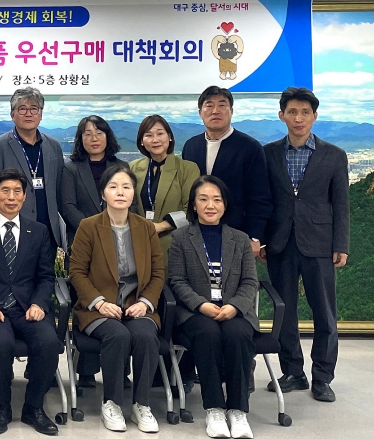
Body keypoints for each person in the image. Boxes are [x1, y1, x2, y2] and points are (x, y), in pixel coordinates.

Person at [262, 87, 350, 402]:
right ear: (282, 115)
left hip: (320, 244)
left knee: (324, 313)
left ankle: (323, 377)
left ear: (314, 116)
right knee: (285, 312)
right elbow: (264, 201)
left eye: (304, 112)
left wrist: (341, 244)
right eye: (292, 112)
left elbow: (341, 204)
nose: (298, 118)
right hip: (280, 243)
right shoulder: (268, 153)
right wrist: (261, 239)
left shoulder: (334, 155)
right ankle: (293, 372)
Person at [0, 168, 59, 436]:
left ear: (25, 196)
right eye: (5, 191)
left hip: (27, 308)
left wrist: (39, 304)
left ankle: (34, 407)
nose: (11, 197)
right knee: (0, 343)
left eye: (17, 191)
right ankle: (2, 407)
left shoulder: (38, 231)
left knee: (49, 342)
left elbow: (46, 276)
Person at [69, 165, 165, 433]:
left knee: (145, 336)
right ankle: (111, 402)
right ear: (103, 194)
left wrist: (145, 303)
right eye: (113, 187)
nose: (120, 192)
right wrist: (99, 302)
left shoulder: (145, 228)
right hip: (98, 308)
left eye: (126, 187)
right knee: (118, 335)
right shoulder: (89, 226)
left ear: (133, 193)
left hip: (137, 305)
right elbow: (76, 272)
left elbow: (158, 273)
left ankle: (141, 404)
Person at [169, 176, 259, 439]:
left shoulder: (240, 239)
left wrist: (235, 307)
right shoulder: (181, 238)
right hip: (196, 312)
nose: (210, 205)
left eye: (217, 200)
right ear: (193, 205)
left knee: (238, 333)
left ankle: (238, 410)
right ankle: (215, 409)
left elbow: (250, 281)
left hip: (233, 310)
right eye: (203, 199)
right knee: (207, 333)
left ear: (225, 205)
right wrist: (201, 305)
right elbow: (177, 280)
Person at [60, 115, 129, 389]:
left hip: (120, 243)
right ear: (80, 139)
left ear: (107, 136)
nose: (94, 138)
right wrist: (97, 231)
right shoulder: (71, 168)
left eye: (99, 132)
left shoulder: (121, 167)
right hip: (83, 244)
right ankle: (86, 371)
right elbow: (67, 207)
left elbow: (129, 205)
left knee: (120, 300)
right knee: (88, 304)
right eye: (87, 134)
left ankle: (121, 372)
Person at [181, 86, 272, 257]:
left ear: (231, 111)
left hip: (237, 234)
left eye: (222, 105)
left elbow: (260, 196)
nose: (215, 110)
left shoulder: (250, 147)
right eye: (209, 105)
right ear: (200, 112)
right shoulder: (191, 146)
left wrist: (254, 236)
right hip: (197, 233)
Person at [0, 87, 64, 261]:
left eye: (34, 108)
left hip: (48, 230)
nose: (28, 113)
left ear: (41, 114)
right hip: (13, 230)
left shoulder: (53, 146)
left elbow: (59, 189)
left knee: (46, 275)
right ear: (12, 114)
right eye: (22, 109)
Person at [131, 115, 200, 263]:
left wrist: (161, 226)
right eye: (149, 135)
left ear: (169, 137)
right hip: (139, 242)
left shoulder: (188, 169)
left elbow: (192, 208)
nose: (155, 139)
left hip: (175, 242)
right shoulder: (133, 168)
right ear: (142, 141)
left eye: (160, 133)